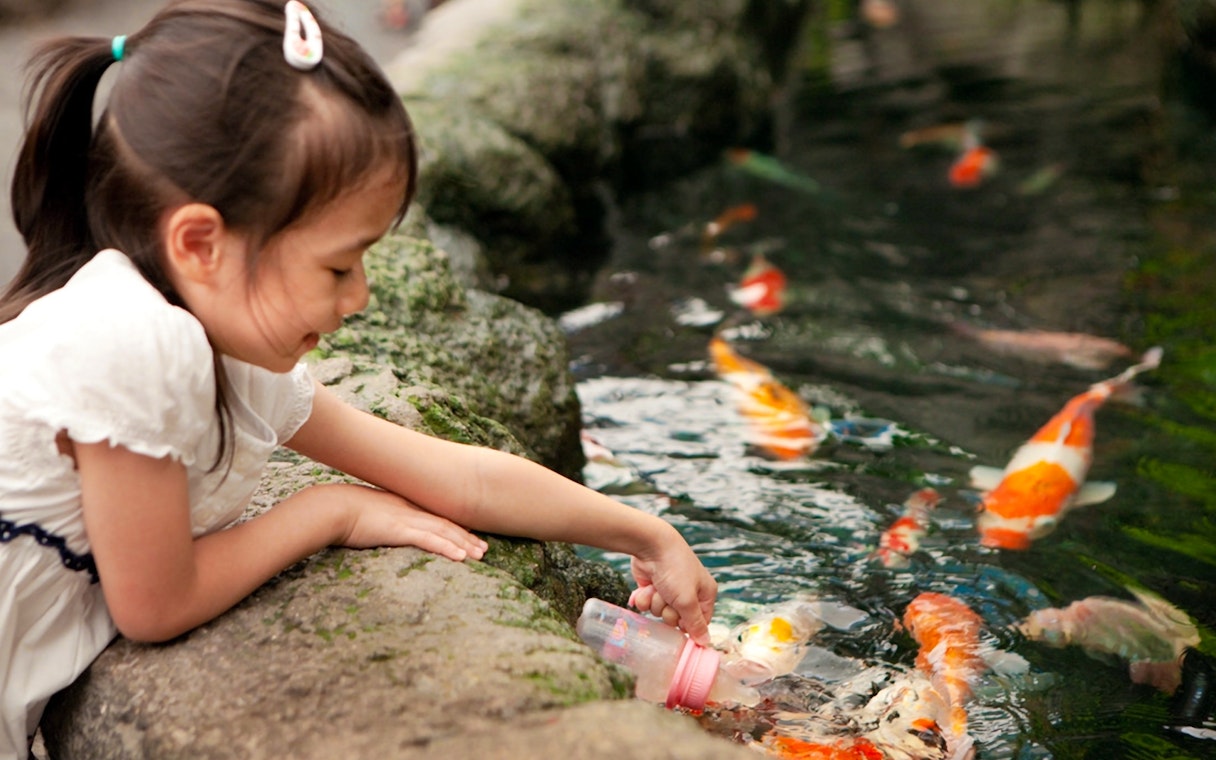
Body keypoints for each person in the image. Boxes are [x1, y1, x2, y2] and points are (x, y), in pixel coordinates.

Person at [0, 1, 717, 757]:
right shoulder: (135, 343)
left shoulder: (220, 348)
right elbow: (155, 601)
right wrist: (329, 512)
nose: (361, 296)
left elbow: (456, 478)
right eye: (339, 265)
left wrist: (643, 531)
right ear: (201, 242)